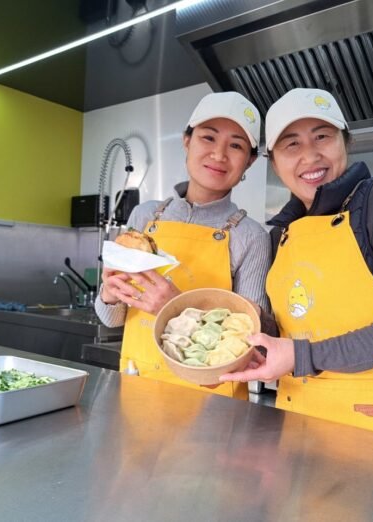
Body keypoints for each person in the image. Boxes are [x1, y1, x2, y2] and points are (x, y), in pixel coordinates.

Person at [221, 88, 373, 451]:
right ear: (274, 163)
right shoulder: (280, 236)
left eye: (322, 136)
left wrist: (305, 356)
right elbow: (295, 330)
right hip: (307, 442)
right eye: (291, 144)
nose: (310, 155)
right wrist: (241, 332)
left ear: (345, 141)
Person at [95, 91, 270, 400]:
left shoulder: (251, 236)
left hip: (212, 399)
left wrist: (177, 305)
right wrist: (109, 295)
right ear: (187, 141)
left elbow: (251, 336)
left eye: (236, 145)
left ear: (250, 161)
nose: (219, 154)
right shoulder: (145, 215)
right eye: (208, 138)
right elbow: (112, 319)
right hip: (139, 385)